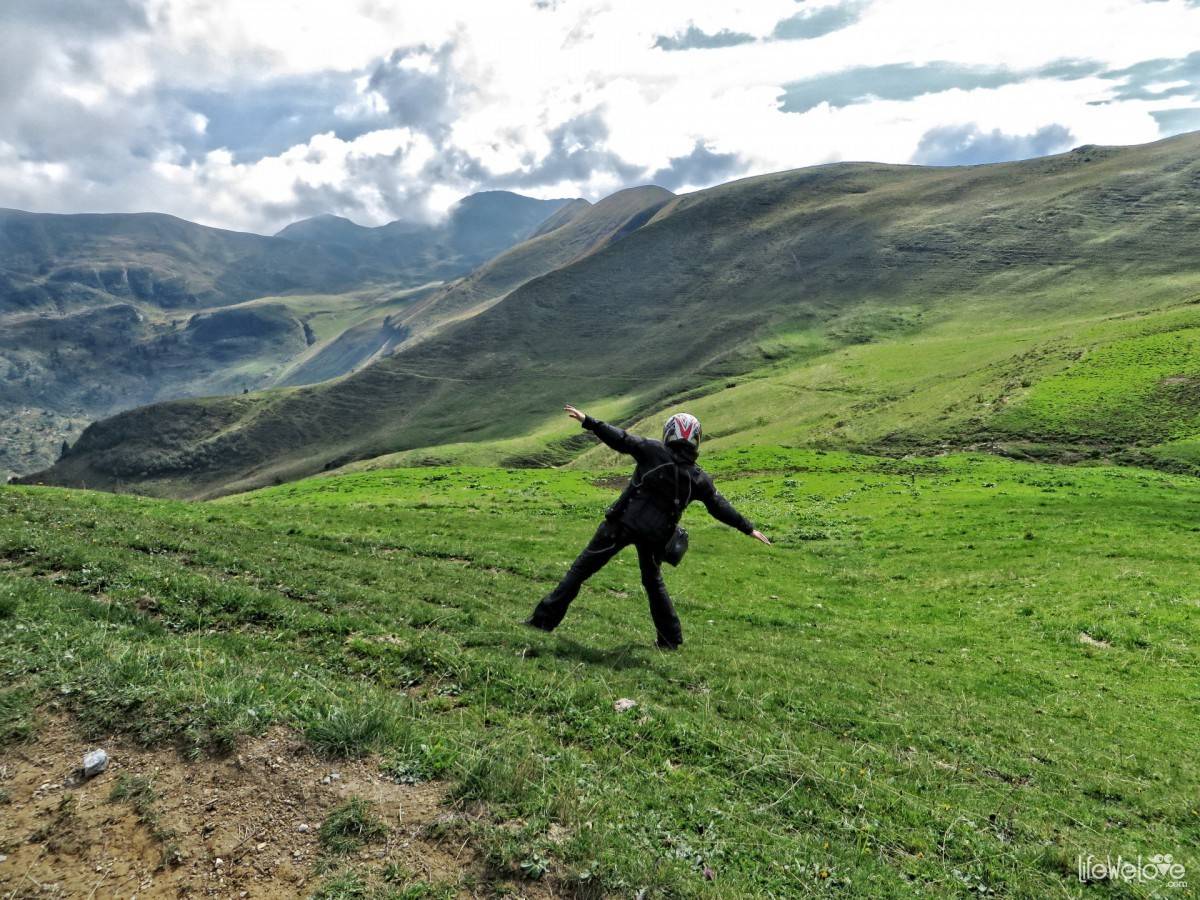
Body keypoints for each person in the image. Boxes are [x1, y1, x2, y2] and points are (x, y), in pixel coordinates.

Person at [525, 405, 771, 649]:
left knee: (580, 571)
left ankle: (542, 622)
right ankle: (670, 640)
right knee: (653, 584)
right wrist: (748, 528)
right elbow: (719, 506)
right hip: (656, 537)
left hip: (620, 525)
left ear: (669, 433)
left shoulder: (652, 451)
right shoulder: (698, 478)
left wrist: (588, 421)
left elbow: (621, 439)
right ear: (696, 439)